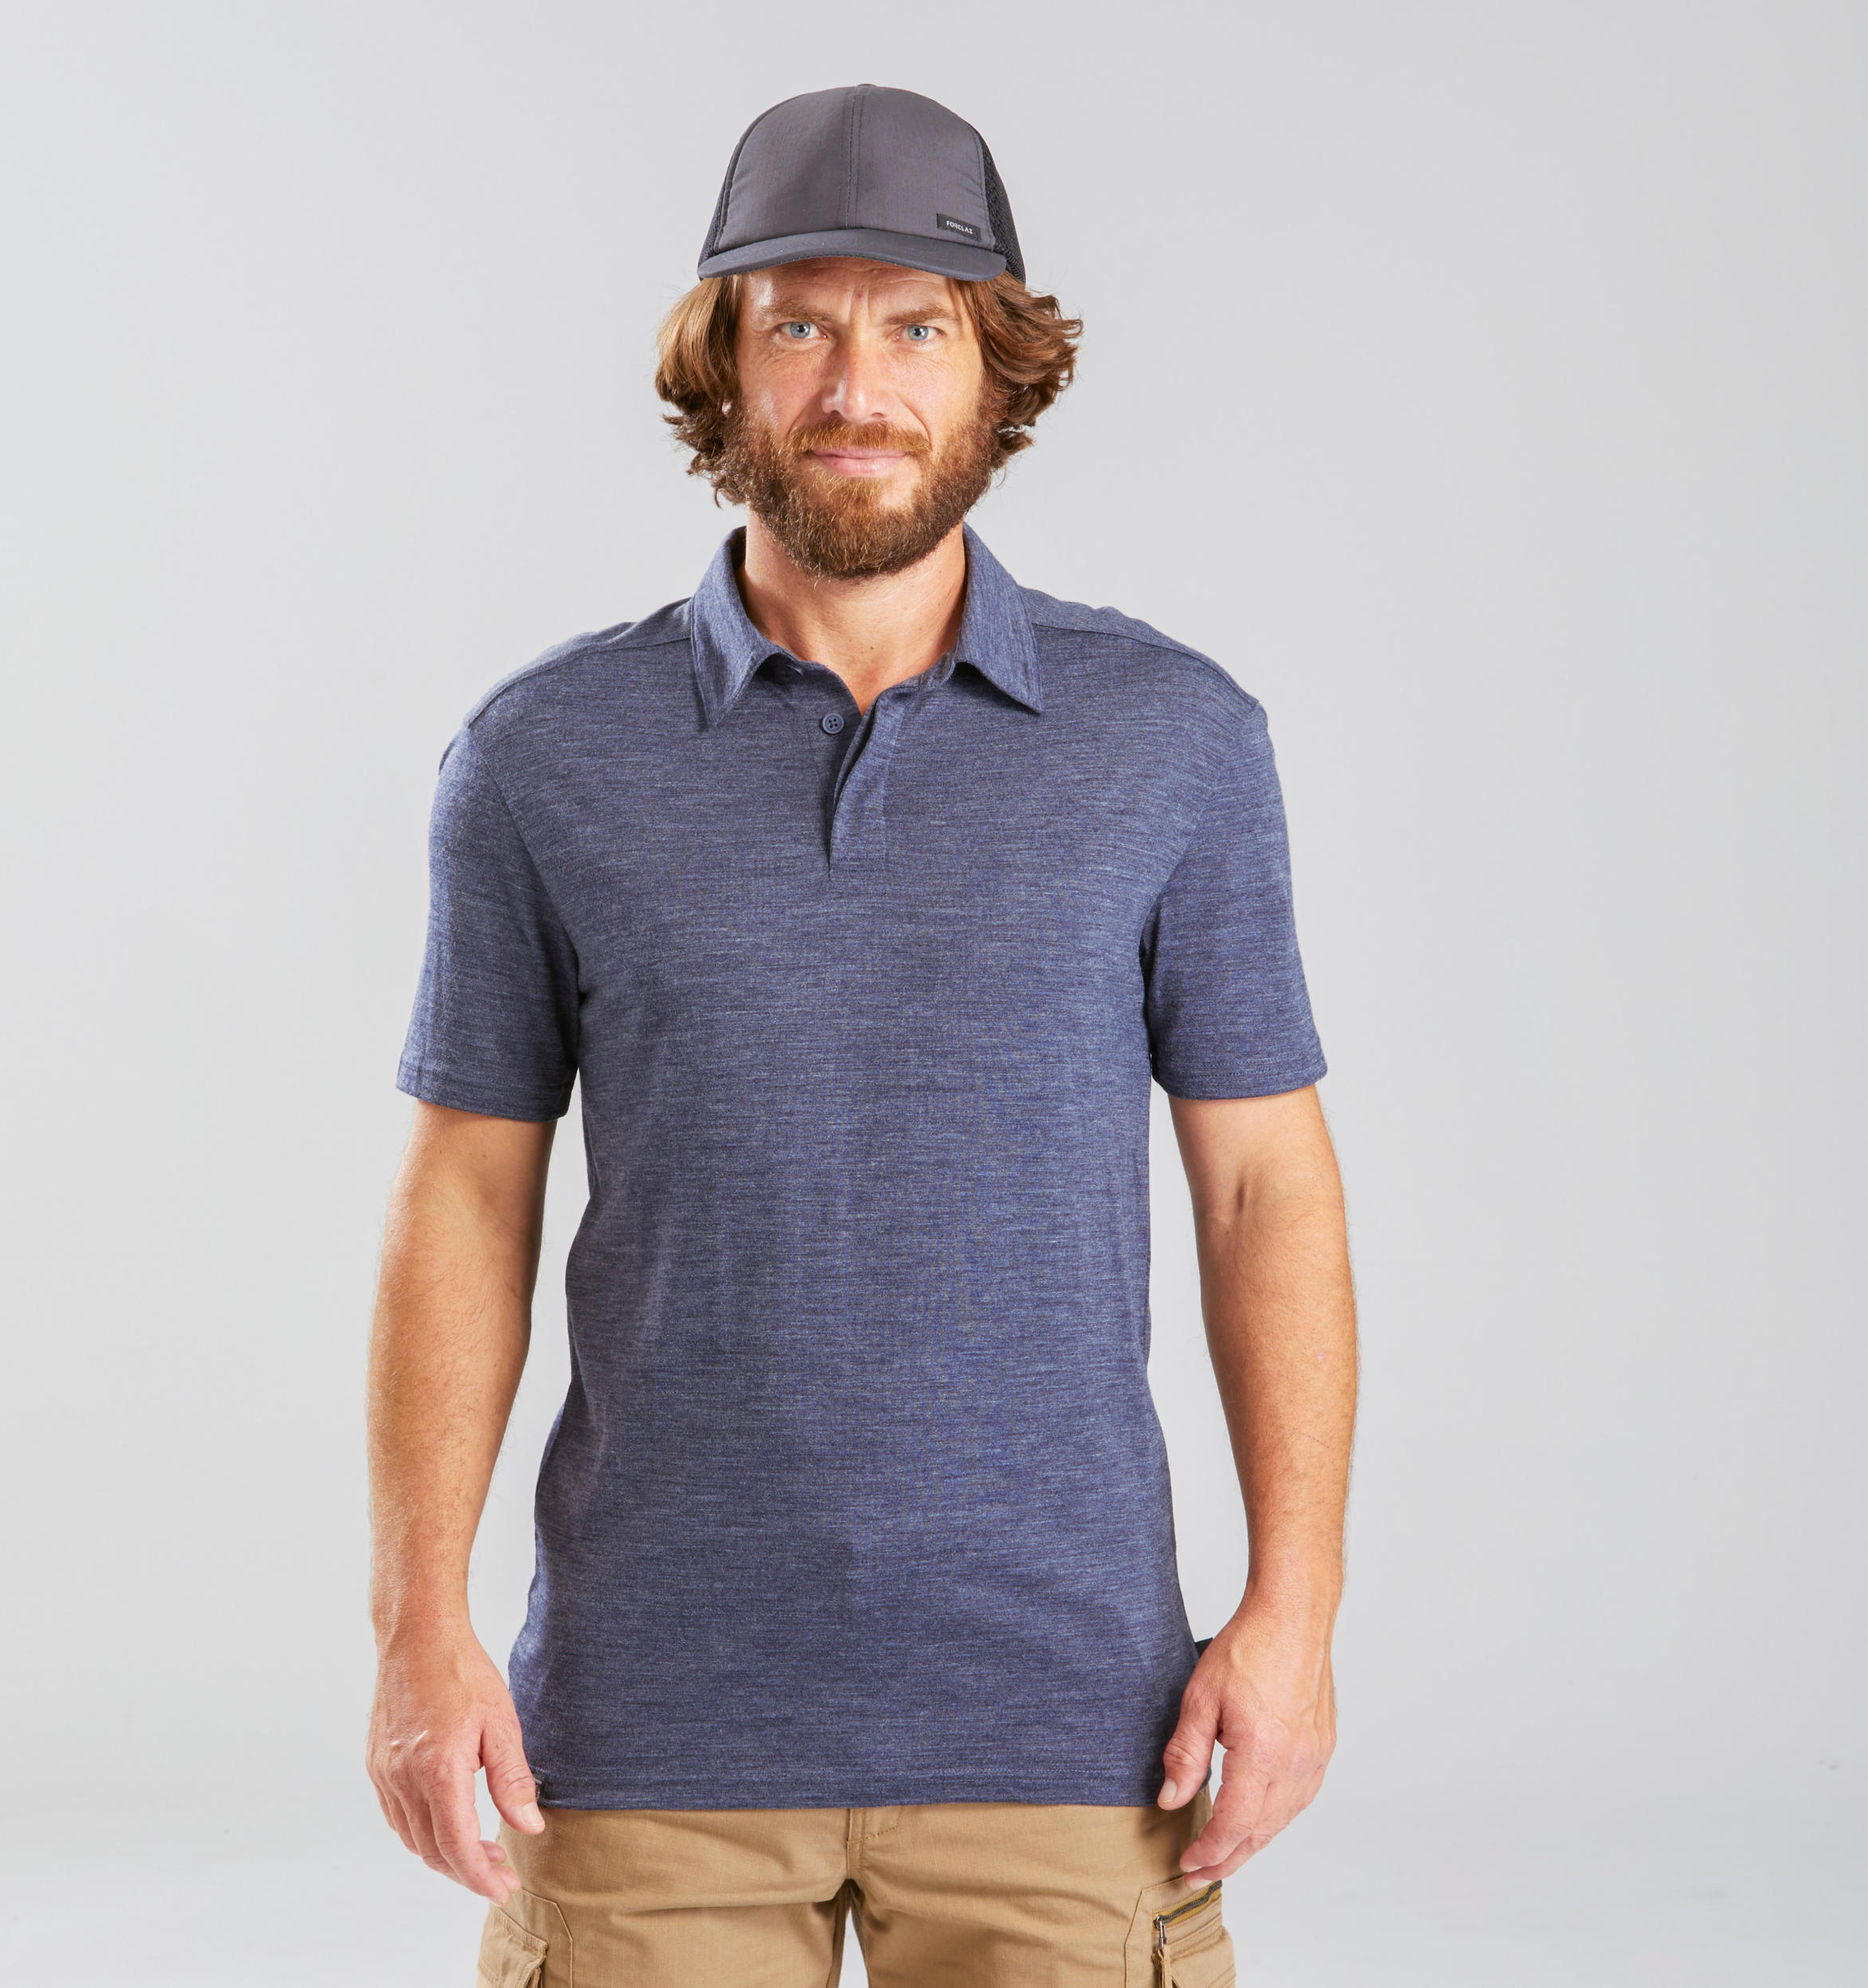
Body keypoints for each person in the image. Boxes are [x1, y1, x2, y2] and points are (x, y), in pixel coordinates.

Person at [366, 83, 1357, 1987]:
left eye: (915, 327)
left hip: (1074, 1726)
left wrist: (1292, 1609)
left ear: (996, 370)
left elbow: (1262, 1192)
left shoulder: (1173, 741)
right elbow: (463, 1202)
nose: (855, 384)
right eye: (798, 323)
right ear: (720, 361)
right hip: (640, 1734)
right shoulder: (541, 757)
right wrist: (418, 1626)